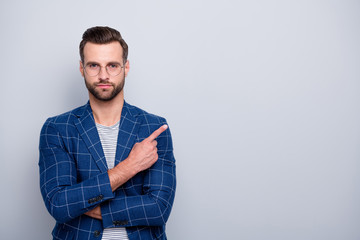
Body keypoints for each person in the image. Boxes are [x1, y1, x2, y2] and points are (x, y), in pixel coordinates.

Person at [39, 26, 176, 240]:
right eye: (94, 65)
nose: (103, 75)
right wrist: (129, 167)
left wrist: (84, 204)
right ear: (82, 68)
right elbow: (60, 204)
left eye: (112, 65)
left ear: (126, 67)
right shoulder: (58, 129)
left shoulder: (154, 128)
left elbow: (158, 208)